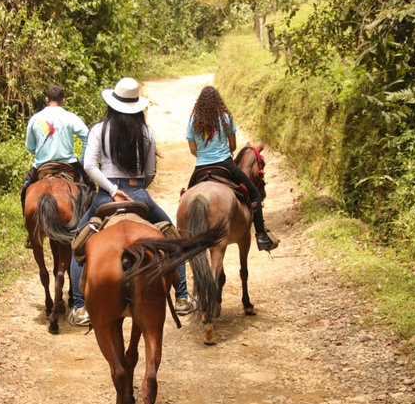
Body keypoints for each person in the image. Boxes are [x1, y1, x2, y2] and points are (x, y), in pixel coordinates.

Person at [68, 77, 195, 326]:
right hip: (138, 193)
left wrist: (113, 189)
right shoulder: (146, 131)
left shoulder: (98, 129)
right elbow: (150, 172)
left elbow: (89, 166)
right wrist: (135, 190)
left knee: (78, 242)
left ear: (113, 102)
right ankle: (181, 297)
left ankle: (80, 306)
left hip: (105, 196)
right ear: (137, 105)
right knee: (174, 240)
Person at [186, 86, 279, 252]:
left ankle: (187, 239)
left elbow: (193, 150)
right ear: (218, 102)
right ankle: (261, 236)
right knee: (255, 194)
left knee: (185, 200)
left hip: (200, 168)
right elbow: (233, 146)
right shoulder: (225, 118)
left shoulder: (194, 121)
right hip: (225, 165)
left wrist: (204, 157)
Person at [22, 85, 93, 248]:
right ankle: (84, 226)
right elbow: (86, 136)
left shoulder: (35, 119)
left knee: (25, 191)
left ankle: (30, 233)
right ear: (63, 100)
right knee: (88, 188)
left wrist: (41, 151)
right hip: (67, 164)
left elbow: (29, 146)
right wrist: (81, 161)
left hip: (42, 166)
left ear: (46, 100)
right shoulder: (70, 117)